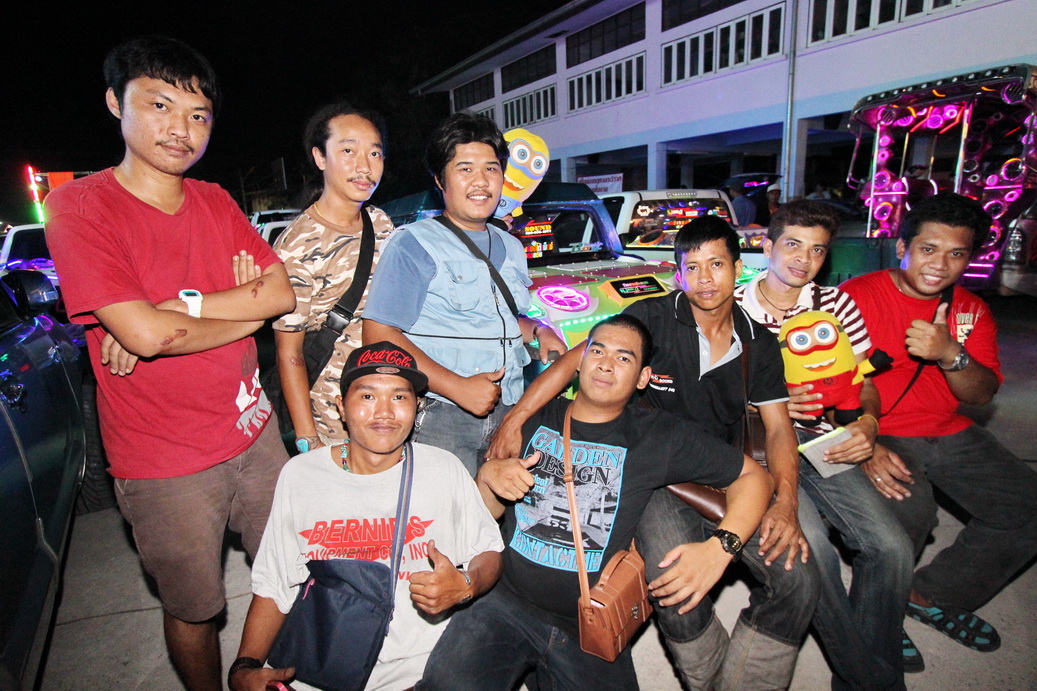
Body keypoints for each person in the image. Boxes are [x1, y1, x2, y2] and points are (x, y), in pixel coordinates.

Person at [44, 36, 297, 690]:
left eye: (198, 114)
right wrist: (241, 313)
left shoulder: (215, 200)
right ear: (115, 102)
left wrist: (176, 309)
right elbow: (148, 335)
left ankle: (261, 673)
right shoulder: (79, 206)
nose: (181, 129)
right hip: (164, 460)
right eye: (160, 105)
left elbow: (280, 294)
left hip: (254, 433)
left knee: (289, 571)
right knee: (195, 606)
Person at [490, 217, 820, 690]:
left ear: (737, 267)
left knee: (798, 578)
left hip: (722, 470)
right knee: (675, 586)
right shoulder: (652, 317)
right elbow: (575, 361)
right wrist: (516, 417)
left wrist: (785, 501)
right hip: (660, 476)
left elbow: (778, 429)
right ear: (679, 275)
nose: (705, 279)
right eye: (693, 267)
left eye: (717, 265)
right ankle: (707, 679)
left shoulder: (758, 342)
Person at [418, 315, 774, 690]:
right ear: (580, 362)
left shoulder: (658, 435)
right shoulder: (531, 419)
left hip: (590, 624)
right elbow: (485, 519)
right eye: (597, 351)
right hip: (505, 603)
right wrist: (488, 478)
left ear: (643, 377)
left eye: (623, 358)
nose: (606, 364)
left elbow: (754, 478)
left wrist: (720, 549)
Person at [230, 342, 504, 691]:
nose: (385, 412)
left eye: (399, 397)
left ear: (417, 407)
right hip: (326, 665)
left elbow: (488, 550)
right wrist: (244, 666)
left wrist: (466, 584)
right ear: (341, 407)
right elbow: (275, 583)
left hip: (424, 671)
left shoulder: (443, 468)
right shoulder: (302, 475)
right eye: (368, 396)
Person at [841, 192, 1037, 667]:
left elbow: (981, 394)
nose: (940, 265)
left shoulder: (971, 309)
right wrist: (863, 444)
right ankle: (875, 617)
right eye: (928, 249)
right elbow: (825, 385)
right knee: (908, 516)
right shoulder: (854, 297)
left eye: (957, 254)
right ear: (902, 247)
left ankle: (929, 596)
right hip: (880, 429)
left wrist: (951, 354)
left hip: (948, 429)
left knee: (1026, 507)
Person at [734, 199, 914, 686]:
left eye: (817, 250)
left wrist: (869, 424)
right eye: (793, 245)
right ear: (767, 246)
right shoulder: (732, 305)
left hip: (823, 442)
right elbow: (706, 391)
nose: (804, 259)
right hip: (756, 447)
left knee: (891, 548)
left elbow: (863, 380)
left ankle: (865, 668)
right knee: (811, 550)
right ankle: (872, 678)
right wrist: (764, 401)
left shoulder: (836, 305)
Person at [362, 112, 567, 476]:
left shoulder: (510, 245)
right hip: (442, 415)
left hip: (509, 408)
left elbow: (501, 317)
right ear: (440, 179)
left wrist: (538, 329)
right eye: (465, 169)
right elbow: (378, 335)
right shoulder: (414, 244)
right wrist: (456, 388)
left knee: (497, 507)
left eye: (491, 168)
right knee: (444, 510)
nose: (481, 181)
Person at [272, 102, 395, 452]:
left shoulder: (380, 222)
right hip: (334, 417)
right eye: (348, 151)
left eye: (375, 153)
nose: (364, 166)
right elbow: (289, 352)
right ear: (320, 157)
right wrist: (307, 438)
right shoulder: (296, 246)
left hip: (388, 400)